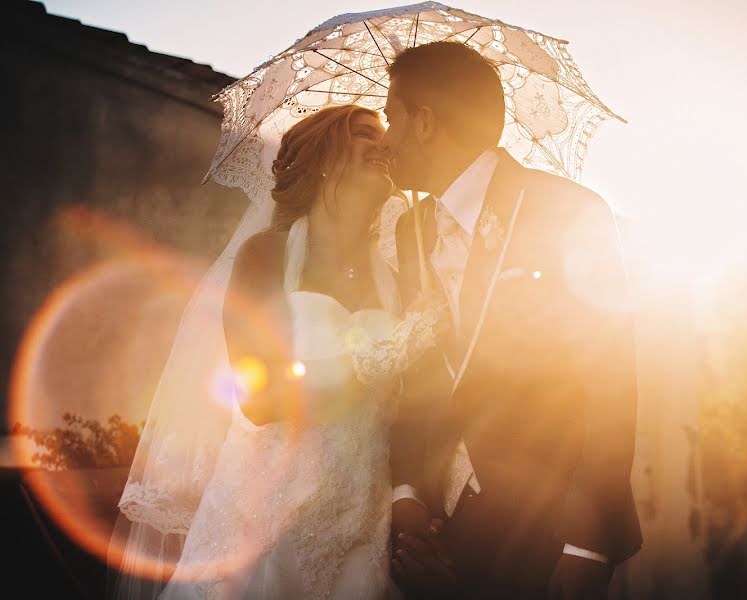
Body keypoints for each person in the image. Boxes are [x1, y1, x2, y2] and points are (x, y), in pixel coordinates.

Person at [110, 104, 443, 599]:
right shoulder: (266, 255)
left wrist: (407, 494)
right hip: (263, 523)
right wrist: (387, 355)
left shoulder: (397, 281)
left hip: (360, 531)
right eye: (364, 134)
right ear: (324, 158)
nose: (385, 144)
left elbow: (413, 413)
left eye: (385, 133)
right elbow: (260, 399)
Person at [381, 41, 643, 600]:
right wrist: (405, 491)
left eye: (391, 117)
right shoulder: (409, 231)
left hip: (546, 522)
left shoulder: (568, 210)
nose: (385, 139)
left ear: (425, 123)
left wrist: (586, 546)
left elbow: (610, 385)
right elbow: (416, 373)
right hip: (435, 521)